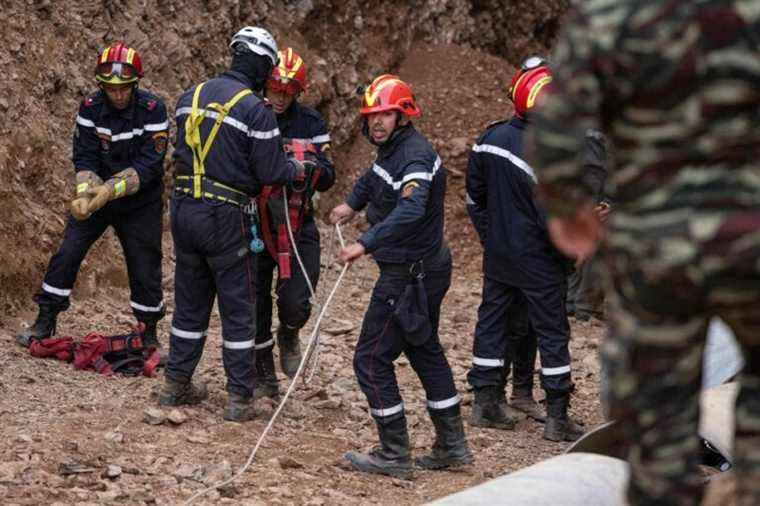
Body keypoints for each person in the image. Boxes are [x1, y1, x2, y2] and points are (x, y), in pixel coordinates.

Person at [528, 2, 760, 504]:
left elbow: (555, 123)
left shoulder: (613, 16)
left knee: (657, 414)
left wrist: (571, 212)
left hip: (658, 250)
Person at [329, 74, 472, 477]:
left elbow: (410, 209)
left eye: (386, 114)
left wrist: (364, 243)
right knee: (424, 350)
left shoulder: (415, 156)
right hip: (422, 270)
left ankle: (394, 453)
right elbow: (376, 178)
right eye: (373, 115)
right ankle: (453, 447)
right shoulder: (392, 150)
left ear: (403, 115)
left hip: (408, 276)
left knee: (371, 359)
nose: (377, 122)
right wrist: (351, 205)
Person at [160, 26, 300, 422]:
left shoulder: (191, 96)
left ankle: (175, 383)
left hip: (184, 210)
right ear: (261, 63)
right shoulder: (257, 110)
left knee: (190, 303)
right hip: (226, 215)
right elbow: (271, 170)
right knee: (239, 307)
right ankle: (240, 397)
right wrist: (297, 167)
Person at [16, 42, 168, 351]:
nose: (118, 95)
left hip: (140, 202)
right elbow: (84, 156)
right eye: (111, 89)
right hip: (97, 195)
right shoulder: (90, 108)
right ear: (101, 86)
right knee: (68, 253)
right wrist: (86, 195)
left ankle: (148, 333)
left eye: (124, 88)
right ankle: (45, 319)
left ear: (134, 84)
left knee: (144, 265)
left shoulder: (153, 110)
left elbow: (150, 165)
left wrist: (110, 190)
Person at [465, 56, 582, 442]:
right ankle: (557, 416)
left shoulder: (489, 140)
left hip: (499, 255)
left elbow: (474, 199)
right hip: (538, 260)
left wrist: (492, 236)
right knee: (551, 331)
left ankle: (485, 402)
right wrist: (567, 257)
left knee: (492, 322)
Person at [254, 48, 336, 399]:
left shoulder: (311, 124)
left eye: (287, 93)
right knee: (254, 299)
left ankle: (289, 331)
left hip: (299, 223)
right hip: (256, 223)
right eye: (275, 90)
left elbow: (330, 174)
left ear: (297, 93)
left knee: (298, 298)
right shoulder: (253, 115)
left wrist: (310, 169)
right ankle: (262, 370)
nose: (280, 98)